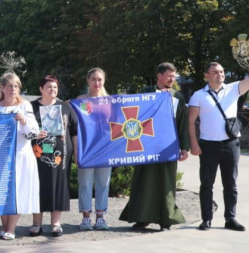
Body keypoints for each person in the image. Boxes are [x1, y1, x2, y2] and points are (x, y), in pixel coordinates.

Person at [119, 62, 190, 230]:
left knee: (167, 183)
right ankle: (142, 217)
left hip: (168, 146)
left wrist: (184, 147)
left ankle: (166, 219)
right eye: (169, 76)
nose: (172, 79)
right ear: (159, 76)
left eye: (174, 76)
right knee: (145, 180)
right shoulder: (146, 93)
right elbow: (135, 110)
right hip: (146, 144)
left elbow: (182, 124)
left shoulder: (178, 97)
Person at [188, 62, 249, 232]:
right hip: (208, 145)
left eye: (222, 71)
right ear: (206, 75)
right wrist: (194, 143)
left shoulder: (233, 88)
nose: (220, 75)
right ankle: (206, 219)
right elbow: (191, 121)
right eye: (215, 72)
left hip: (231, 144)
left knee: (231, 184)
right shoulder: (198, 95)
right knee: (207, 183)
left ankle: (230, 218)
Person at [0, 73, 40, 240]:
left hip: (20, 156)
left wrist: (23, 122)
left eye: (16, 86)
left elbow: (33, 133)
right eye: (9, 86)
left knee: (16, 192)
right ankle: (3, 226)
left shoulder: (25, 106)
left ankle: (12, 228)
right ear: (2, 88)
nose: (13, 89)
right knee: (2, 192)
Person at [29, 75, 78, 237]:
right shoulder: (31, 107)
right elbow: (23, 129)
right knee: (38, 186)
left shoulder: (65, 107)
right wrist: (36, 134)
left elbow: (75, 132)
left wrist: (77, 152)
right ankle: (37, 223)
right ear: (41, 89)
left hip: (60, 155)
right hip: (37, 155)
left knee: (58, 186)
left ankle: (56, 223)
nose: (53, 90)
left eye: (55, 87)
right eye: (49, 87)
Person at [77, 68, 112, 231]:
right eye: (93, 79)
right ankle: (85, 218)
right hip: (87, 148)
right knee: (85, 182)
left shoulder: (110, 101)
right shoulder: (81, 100)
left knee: (103, 183)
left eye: (100, 79)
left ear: (104, 81)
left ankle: (100, 217)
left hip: (105, 148)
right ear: (88, 81)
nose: (97, 83)